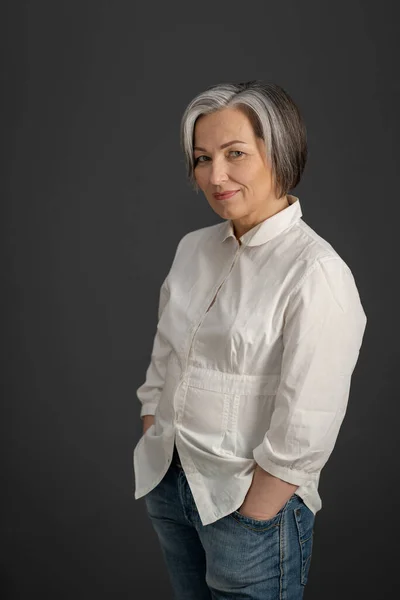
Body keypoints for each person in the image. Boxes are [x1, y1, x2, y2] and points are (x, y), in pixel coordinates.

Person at [132, 80, 367, 599]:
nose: (216, 176)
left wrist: (258, 509)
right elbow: (166, 353)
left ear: (278, 151)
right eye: (201, 158)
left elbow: (309, 416)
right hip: (172, 483)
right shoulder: (193, 249)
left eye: (235, 153)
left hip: (247, 505)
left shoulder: (316, 272)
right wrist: (153, 422)